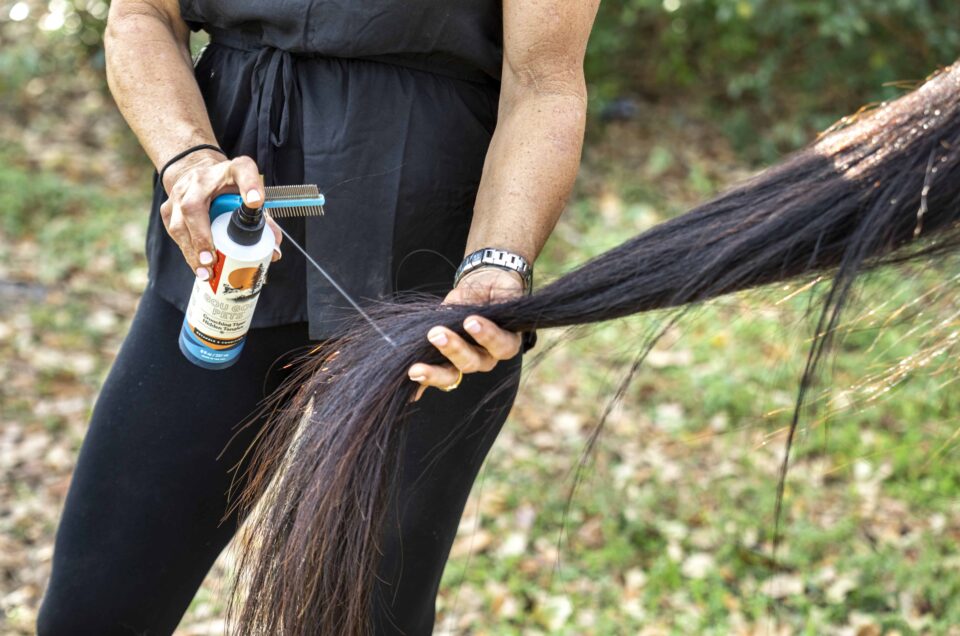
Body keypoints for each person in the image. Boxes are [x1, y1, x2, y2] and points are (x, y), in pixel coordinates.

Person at [37, 1, 599, 634]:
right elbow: (141, 15)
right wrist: (190, 160)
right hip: (231, 251)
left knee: (369, 614)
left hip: (435, 271)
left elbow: (544, 83)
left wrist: (496, 262)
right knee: (94, 608)